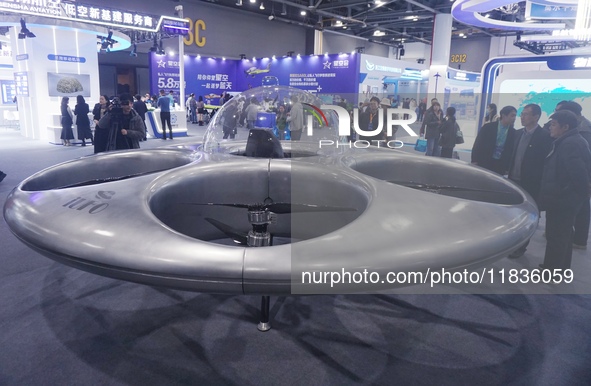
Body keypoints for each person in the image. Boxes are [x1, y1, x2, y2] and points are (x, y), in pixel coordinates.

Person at [539, 110, 591, 270]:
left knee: (556, 236)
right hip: (564, 198)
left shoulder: (570, 144)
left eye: (554, 125)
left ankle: (551, 270)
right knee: (564, 235)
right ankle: (559, 267)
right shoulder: (572, 140)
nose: (550, 128)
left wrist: (564, 193)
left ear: (565, 127)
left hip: (562, 200)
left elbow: (579, 175)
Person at [506, 104, 553, 258]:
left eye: (526, 114)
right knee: (513, 214)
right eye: (522, 114)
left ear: (536, 117)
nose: (522, 117)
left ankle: (521, 247)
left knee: (528, 216)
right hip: (514, 180)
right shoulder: (517, 134)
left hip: (531, 183)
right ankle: (512, 243)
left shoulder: (544, 136)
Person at [557, 101, 591, 250]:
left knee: (581, 207)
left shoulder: (583, 132)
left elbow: (581, 161)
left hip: (579, 177)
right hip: (577, 176)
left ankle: (579, 239)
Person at [471, 105, 517, 174]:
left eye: (515, 116)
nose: (514, 118)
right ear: (504, 115)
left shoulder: (513, 132)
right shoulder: (488, 127)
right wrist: (474, 160)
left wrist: (507, 168)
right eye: (512, 115)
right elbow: (478, 144)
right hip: (485, 161)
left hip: (500, 164)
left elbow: (511, 151)